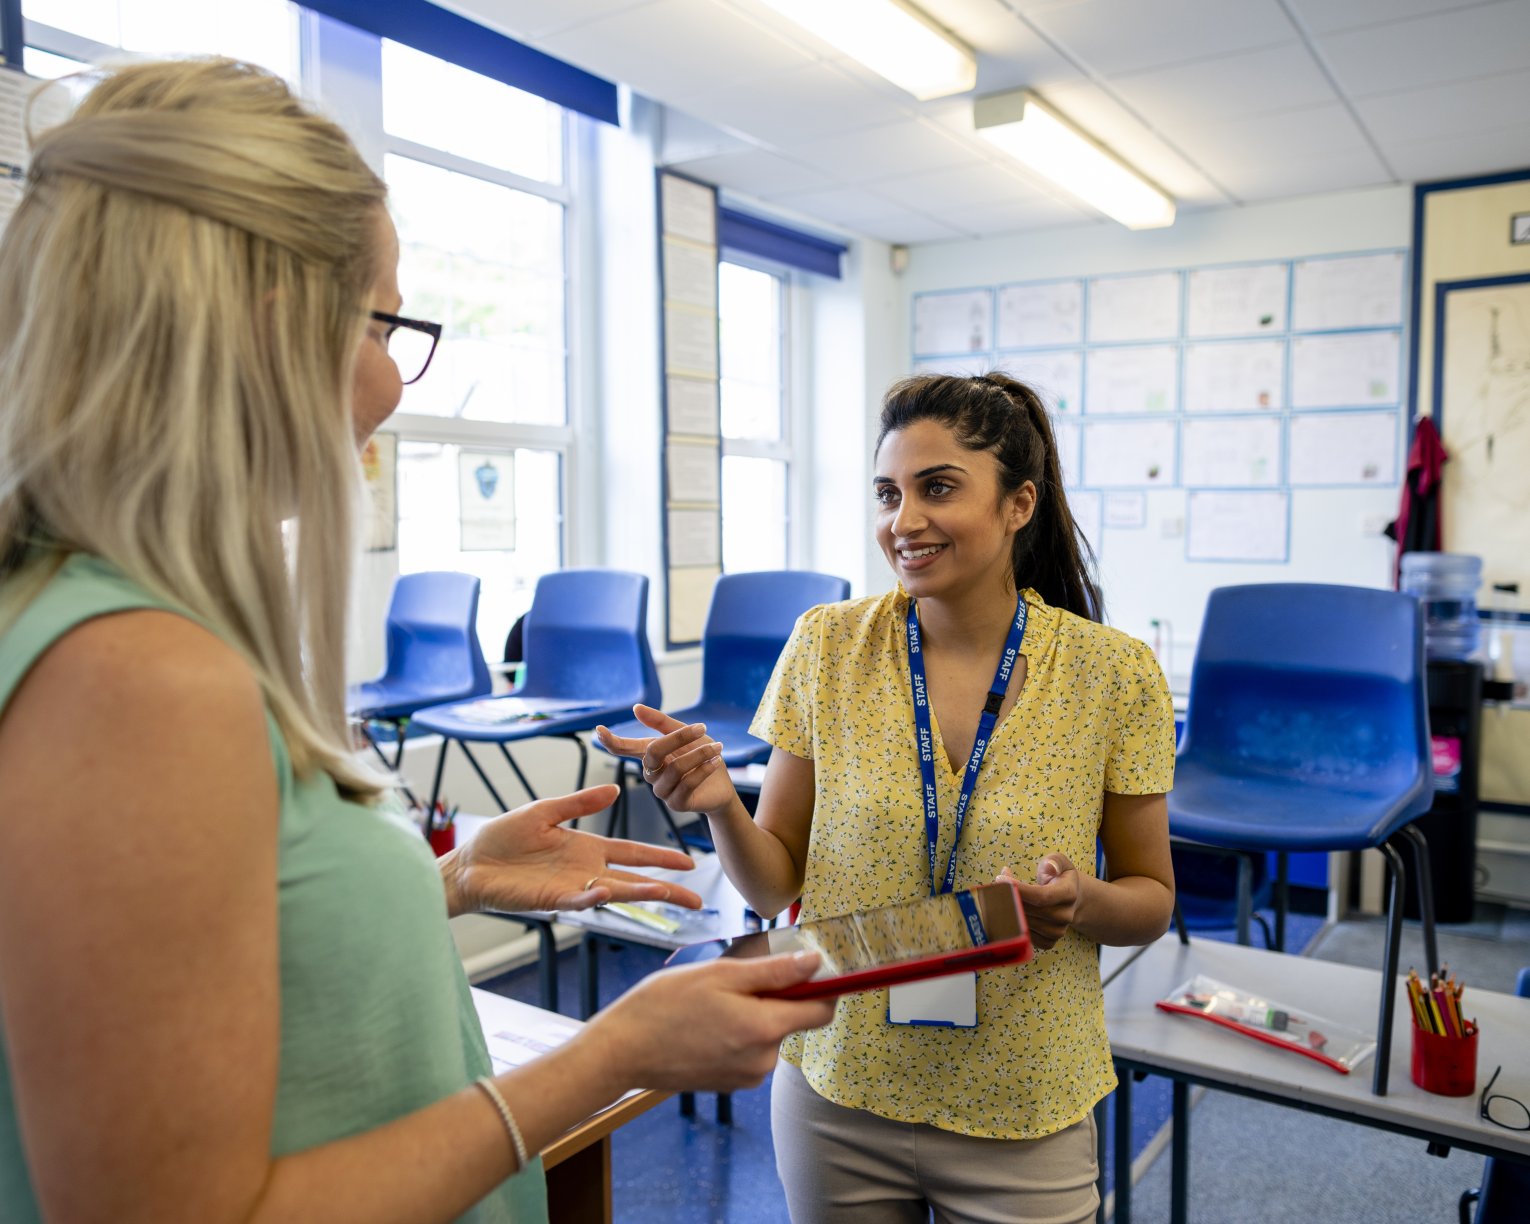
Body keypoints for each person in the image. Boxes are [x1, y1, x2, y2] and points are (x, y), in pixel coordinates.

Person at [0, 59, 832, 1224]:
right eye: (387, 321)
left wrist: (444, 882)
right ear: (271, 320)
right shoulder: (137, 678)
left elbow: (191, 977)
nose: (394, 378)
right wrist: (610, 1055)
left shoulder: (75, 620)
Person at [599, 371, 1177, 1223]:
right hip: (839, 1083)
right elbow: (770, 886)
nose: (903, 522)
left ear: (1019, 504)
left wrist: (1081, 899)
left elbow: (1152, 898)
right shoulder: (827, 645)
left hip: (1023, 1101)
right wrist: (722, 803)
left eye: (937, 488)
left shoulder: (1111, 672)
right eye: (887, 493)